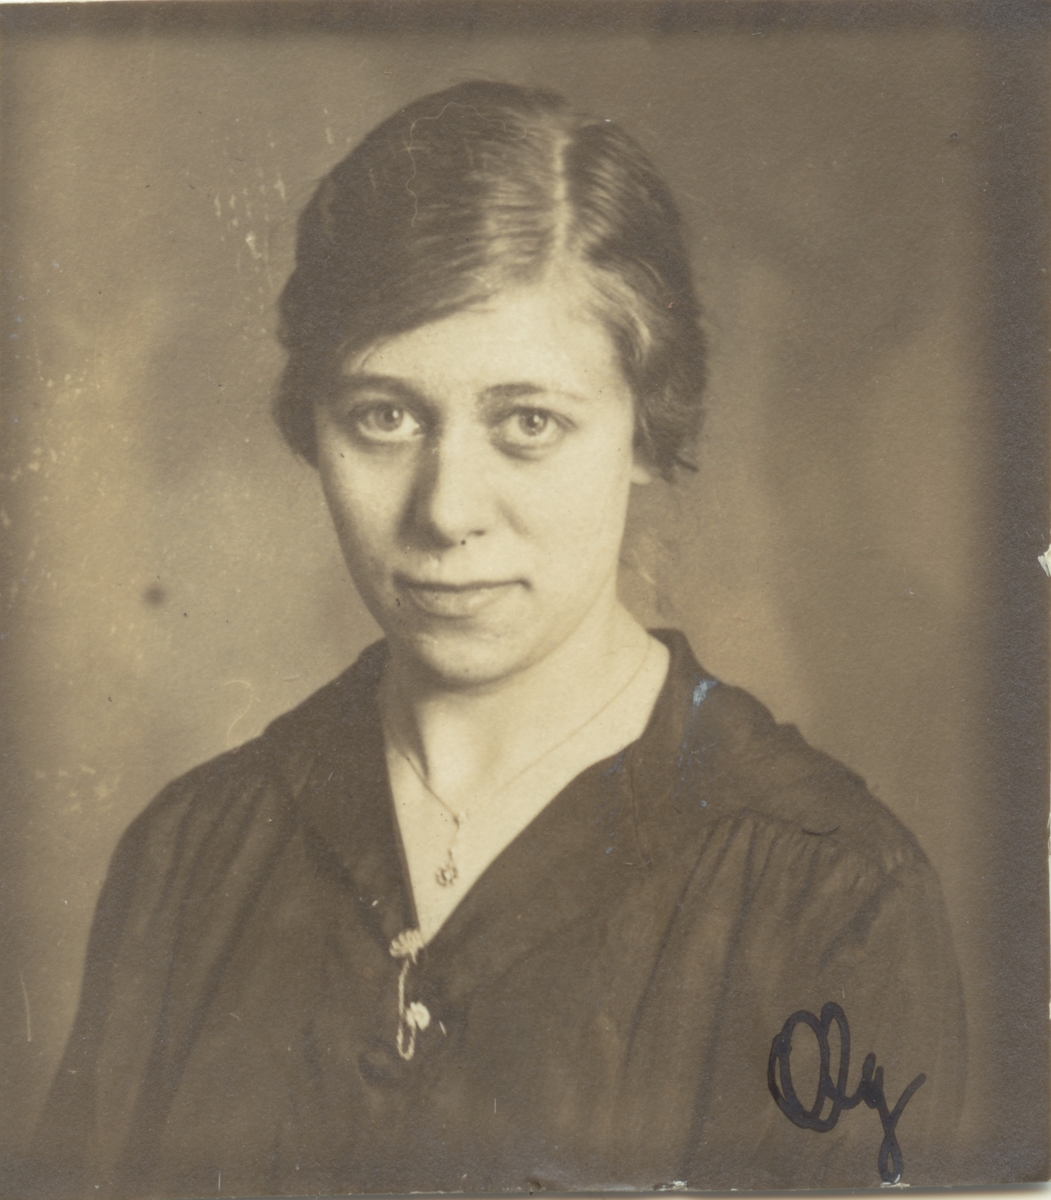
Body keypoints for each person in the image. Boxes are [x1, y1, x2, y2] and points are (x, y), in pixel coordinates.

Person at [34, 81, 965, 1198]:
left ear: (645, 428)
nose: (445, 510)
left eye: (528, 423)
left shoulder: (827, 893)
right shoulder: (192, 857)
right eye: (384, 416)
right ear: (313, 425)